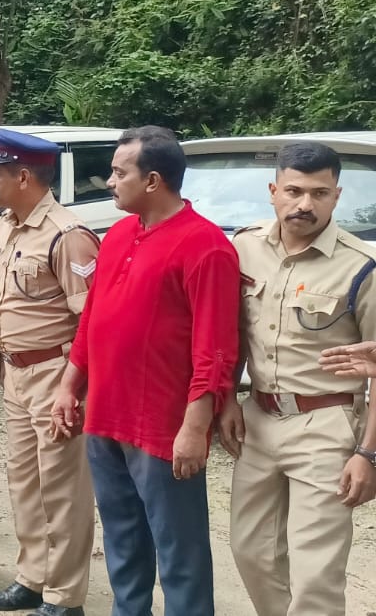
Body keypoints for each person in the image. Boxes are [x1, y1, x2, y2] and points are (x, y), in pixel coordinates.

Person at [50, 126, 239, 616]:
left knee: (180, 549)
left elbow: (215, 349)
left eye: (118, 172)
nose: (109, 181)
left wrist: (195, 428)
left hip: (160, 426)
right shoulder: (118, 236)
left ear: (153, 180)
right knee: (123, 539)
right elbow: (93, 318)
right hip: (105, 416)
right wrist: (71, 386)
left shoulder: (207, 246)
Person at [219, 142, 376, 616]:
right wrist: (227, 399)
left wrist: (368, 453)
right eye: (294, 190)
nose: (305, 204)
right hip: (259, 419)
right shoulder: (243, 248)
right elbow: (231, 334)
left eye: (319, 193)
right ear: (273, 191)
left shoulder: (361, 266)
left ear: (336, 195)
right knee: (252, 552)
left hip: (325, 425)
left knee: (315, 572)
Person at [0, 129, 99, 616]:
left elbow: (91, 321)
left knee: (62, 487)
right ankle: (32, 578)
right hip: (16, 373)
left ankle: (65, 595)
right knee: (24, 481)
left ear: (23, 176)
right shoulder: (9, 225)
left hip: (55, 371)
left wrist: (73, 387)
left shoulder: (67, 236)